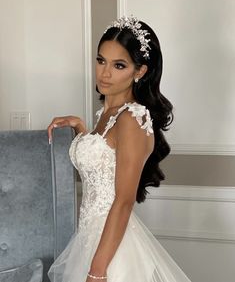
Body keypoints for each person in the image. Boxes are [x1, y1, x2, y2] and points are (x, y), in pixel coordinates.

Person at [47, 16, 191, 282]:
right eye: (101, 60)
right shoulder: (108, 113)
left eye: (119, 65)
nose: (104, 73)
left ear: (140, 71)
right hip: (90, 236)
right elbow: (104, 160)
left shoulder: (132, 119)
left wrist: (97, 272)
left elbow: (123, 201)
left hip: (112, 248)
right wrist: (81, 128)